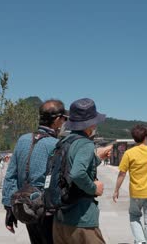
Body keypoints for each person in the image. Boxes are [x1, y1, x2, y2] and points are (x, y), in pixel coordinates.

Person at [2, 99, 68, 244]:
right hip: (48, 211)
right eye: (64, 119)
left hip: (24, 206)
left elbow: (10, 176)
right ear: (57, 120)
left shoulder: (22, 140)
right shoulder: (57, 144)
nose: (65, 122)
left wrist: (9, 207)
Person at [53, 98, 112, 244]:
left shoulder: (63, 142)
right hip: (81, 220)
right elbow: (78, 173)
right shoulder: (85, 144)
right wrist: (94, 188)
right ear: (90, 124)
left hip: (60, 219)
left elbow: (68, 167)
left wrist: (97, 158)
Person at [113, 125, 147, 244]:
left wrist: (116, 190)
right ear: (146, 137)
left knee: (134, 216)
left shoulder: (129, 153)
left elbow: (122, 174)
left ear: (134, 139)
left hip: (136, 192)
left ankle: (140, 241)